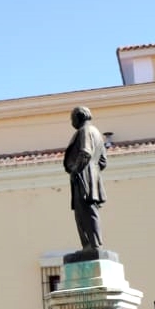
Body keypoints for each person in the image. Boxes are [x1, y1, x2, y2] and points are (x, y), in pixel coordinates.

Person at [63, 106, 106, 251]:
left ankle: (92, 245)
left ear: (79, 116)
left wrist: (76, 170)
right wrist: (94, 172)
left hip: (83, 175)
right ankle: (92, 244)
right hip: (92, 175)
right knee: (88, 212)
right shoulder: (98, 134)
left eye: (72, 118)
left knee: (84, 213)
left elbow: (85, 152)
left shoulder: (85, 131)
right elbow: (103, 161)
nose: (71, 122)